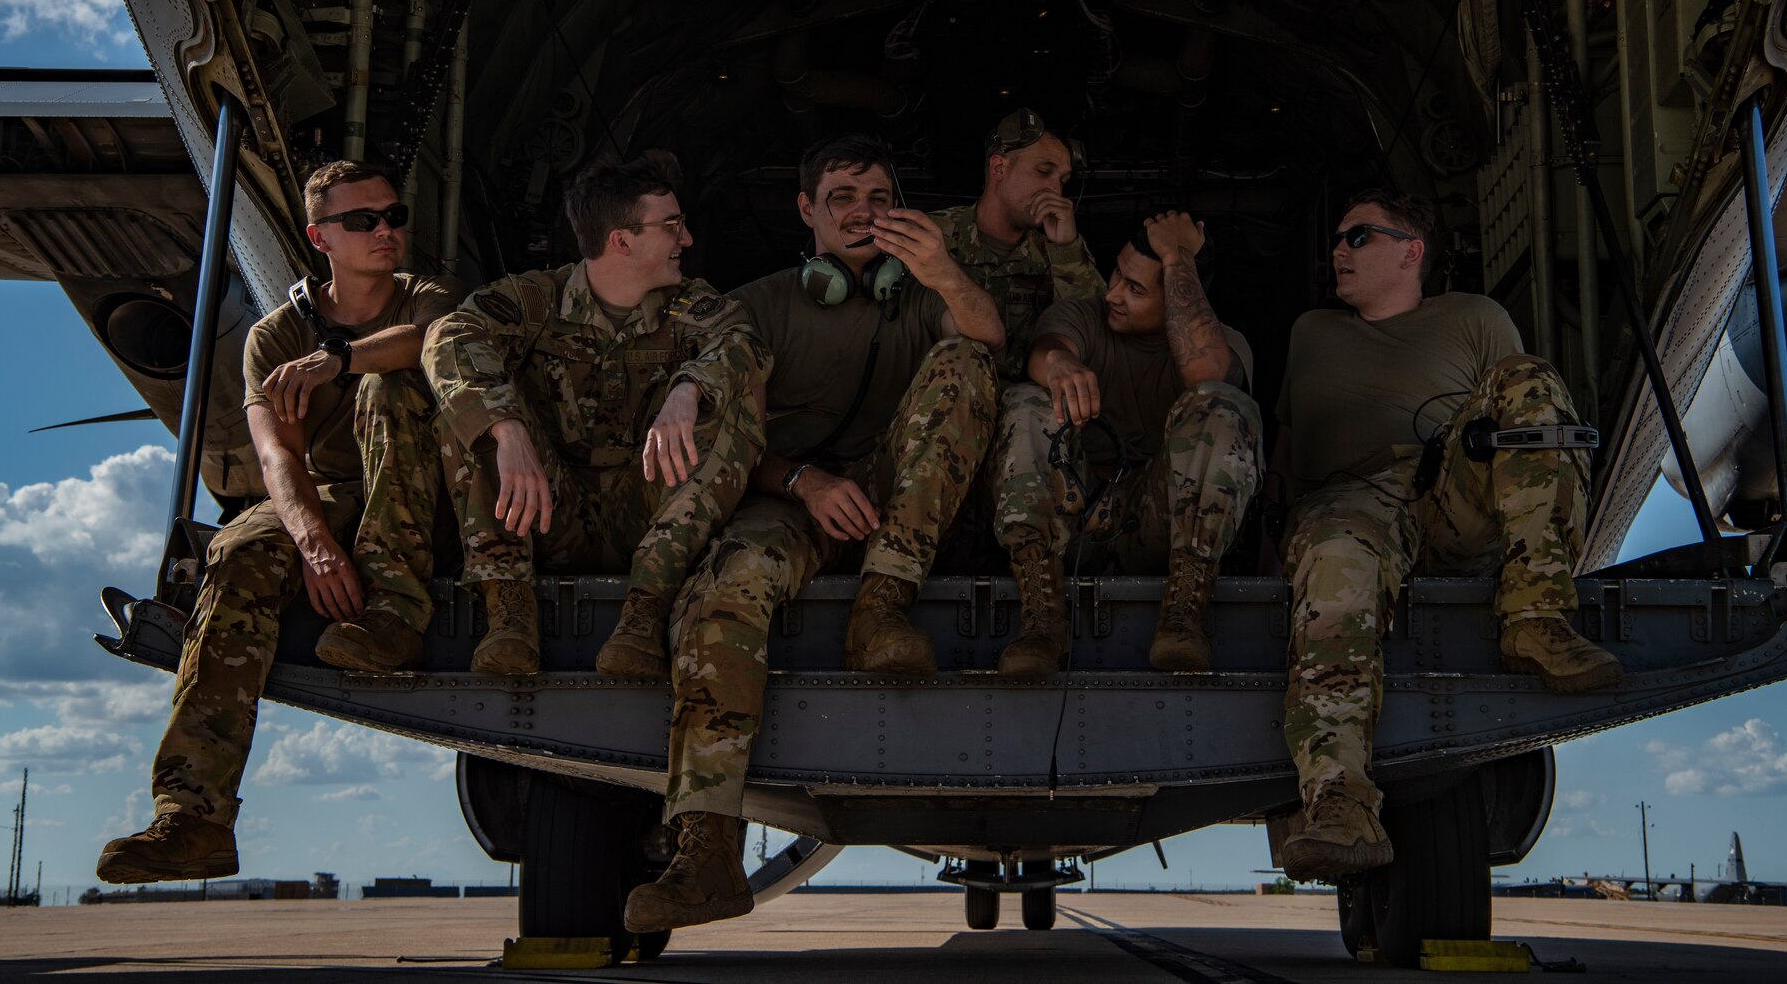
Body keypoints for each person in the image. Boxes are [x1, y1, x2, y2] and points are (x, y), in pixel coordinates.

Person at [623, 132, 1001, 932]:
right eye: (842, 199)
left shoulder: (926, 295)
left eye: (877, 199)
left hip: (906, 503)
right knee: (725, 589)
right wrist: (803, 480)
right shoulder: (759, 305)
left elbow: (990, 338)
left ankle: (881, 609)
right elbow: (732, 437)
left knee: (964, 363)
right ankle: (708, 848)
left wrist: (940, 271)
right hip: (794, 496)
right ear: (807, 211)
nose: (862, 215)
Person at [97, 162, 457, 883]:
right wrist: (316, 545)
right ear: (319, 236)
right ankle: (192, 817)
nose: (386, 230)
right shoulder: (275, 334)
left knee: (386, 389)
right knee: (238, 551)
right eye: (364, 221)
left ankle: (393, 613)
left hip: (430, 493)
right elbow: (277, 458)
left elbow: (433, 338)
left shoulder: (425, 296)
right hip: (333, 496)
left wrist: (341, 359)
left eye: (394, 215)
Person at [1272, 188, 1622, 882]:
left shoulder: (1474, 318)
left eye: (1358, 236)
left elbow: (1521, 428)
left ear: (1411, 251)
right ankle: (1340, 802)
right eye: (1338, 238)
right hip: (1349, 503)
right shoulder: (1311, 331)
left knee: (1531, 385)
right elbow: (1283, 451)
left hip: (1444, 492)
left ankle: (1536, 616)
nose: (1338, 250)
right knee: (1339, 563)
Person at [421, 152, 766, 678]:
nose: (687, 240)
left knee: (731, 395)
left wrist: (689, 388)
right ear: (621, 240)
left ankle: (645, 614)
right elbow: (448, 336)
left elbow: (744, 343)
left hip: (646, 514)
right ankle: (508, 612)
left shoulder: (690, 304)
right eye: (671, 226)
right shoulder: (537, 299)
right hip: (547, 512)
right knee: (468, 408)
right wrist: (507, 429)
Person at [992, 212, 1262, 677]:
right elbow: (1049, 345)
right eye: (1118, 272)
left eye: (1136, 289)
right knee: (1027, 401)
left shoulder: (1225, 344)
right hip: (1073, 519)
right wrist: (1057, 363)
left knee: (1222, 404)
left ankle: (1184, 612)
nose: (1113, 293)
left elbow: (1207, 376)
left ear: (1179, 295)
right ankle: (1041, 614)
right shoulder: (1085, 315)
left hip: (1155, 527)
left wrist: (1179, 254)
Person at [929, 106, 1104, 387]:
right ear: (999, 168)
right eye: (1044, 171)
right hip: (946, 399)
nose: (1055, 190)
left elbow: (1096, 333)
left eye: (1063, 180)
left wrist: (1066, 247)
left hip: (1027, 408)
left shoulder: (1059, 252)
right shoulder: (934, 236)